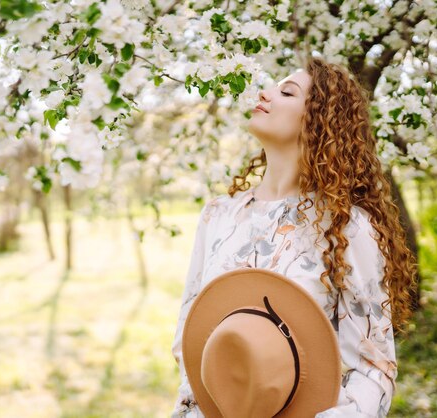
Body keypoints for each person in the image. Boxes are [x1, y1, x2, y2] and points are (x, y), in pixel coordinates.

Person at [170, 56, 418, 418]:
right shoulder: (218, 216)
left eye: (287, 91)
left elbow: (375, 367)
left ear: (318, 122)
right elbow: (188, 339)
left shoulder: (347, 227)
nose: (264, 93)